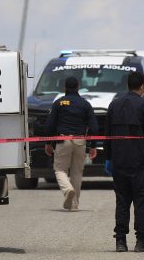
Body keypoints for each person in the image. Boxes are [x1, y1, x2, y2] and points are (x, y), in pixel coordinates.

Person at [104, 72, 144, 253]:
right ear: (142, 86)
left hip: (119, 162)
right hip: (139, 162)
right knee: (141, 201)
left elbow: (107, 135)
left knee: (122, 201)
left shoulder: (114, 105)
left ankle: (120, 242)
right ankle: (142, 241)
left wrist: (108, 157)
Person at [44, 76, 98, 211]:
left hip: (63, 140)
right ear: (78, 87)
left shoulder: (59, 103)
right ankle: (74, 204)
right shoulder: (85, 104)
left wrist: (48, 143)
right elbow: (94, 127)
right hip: (80, 141)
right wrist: (93, 145)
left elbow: (49, 125)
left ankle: (67, 189)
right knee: (77, 173)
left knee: (60, 169)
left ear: (64, 88)